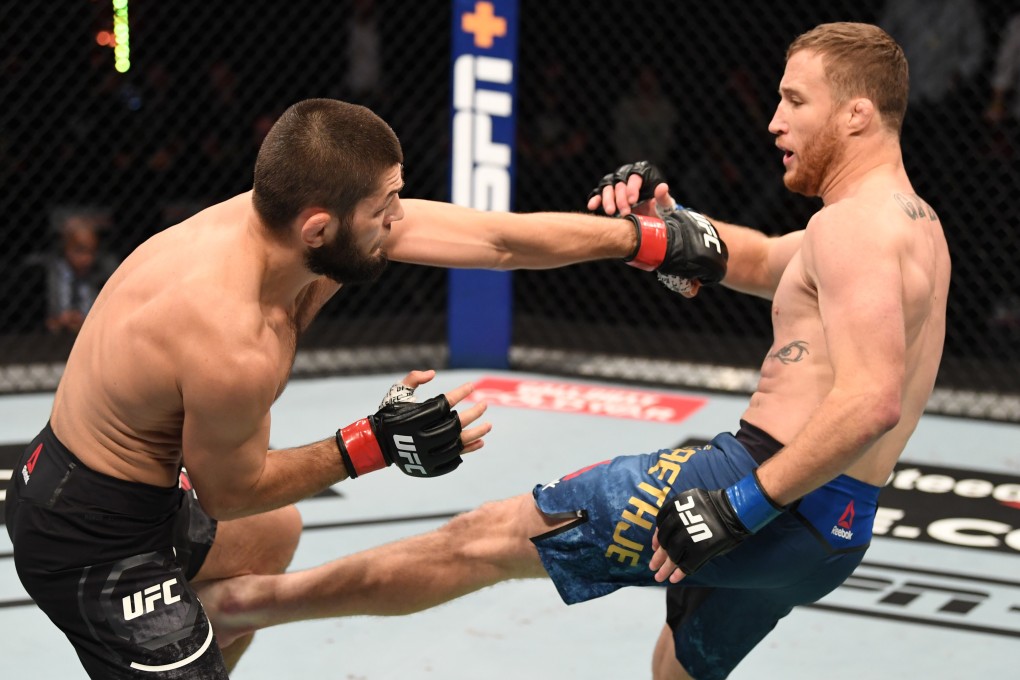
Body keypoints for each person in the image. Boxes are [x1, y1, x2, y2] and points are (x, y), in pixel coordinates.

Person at [194, 22, 950, 680]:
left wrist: (739, 505)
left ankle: (236, 605)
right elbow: (761, 261)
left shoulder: (855, 229)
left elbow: (870, 399)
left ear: (857, 113)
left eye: (795, 100)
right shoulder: (907, 227)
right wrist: (665, 226)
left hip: (762, 485)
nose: (774, 121)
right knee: (680, 669)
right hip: (832, 531)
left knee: (483, 539)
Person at [4, 98, 723, 679]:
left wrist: (639, 240)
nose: (398, 222)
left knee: (273, 533)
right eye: (386, 207)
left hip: (146, 492)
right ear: (320, 227)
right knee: (247, 531)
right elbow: (228, 491)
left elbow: (498, 241)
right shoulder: (230, 336)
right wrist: (368, 445)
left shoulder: (286, 224)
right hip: (88, 535)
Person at [42, 213, 119, 335]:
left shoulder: (103, 272)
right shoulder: (53, 271)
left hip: (94, 328)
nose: (87, 258)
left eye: (92, 252)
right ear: (65, 247)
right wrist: (61, 318)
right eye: (79, 251)